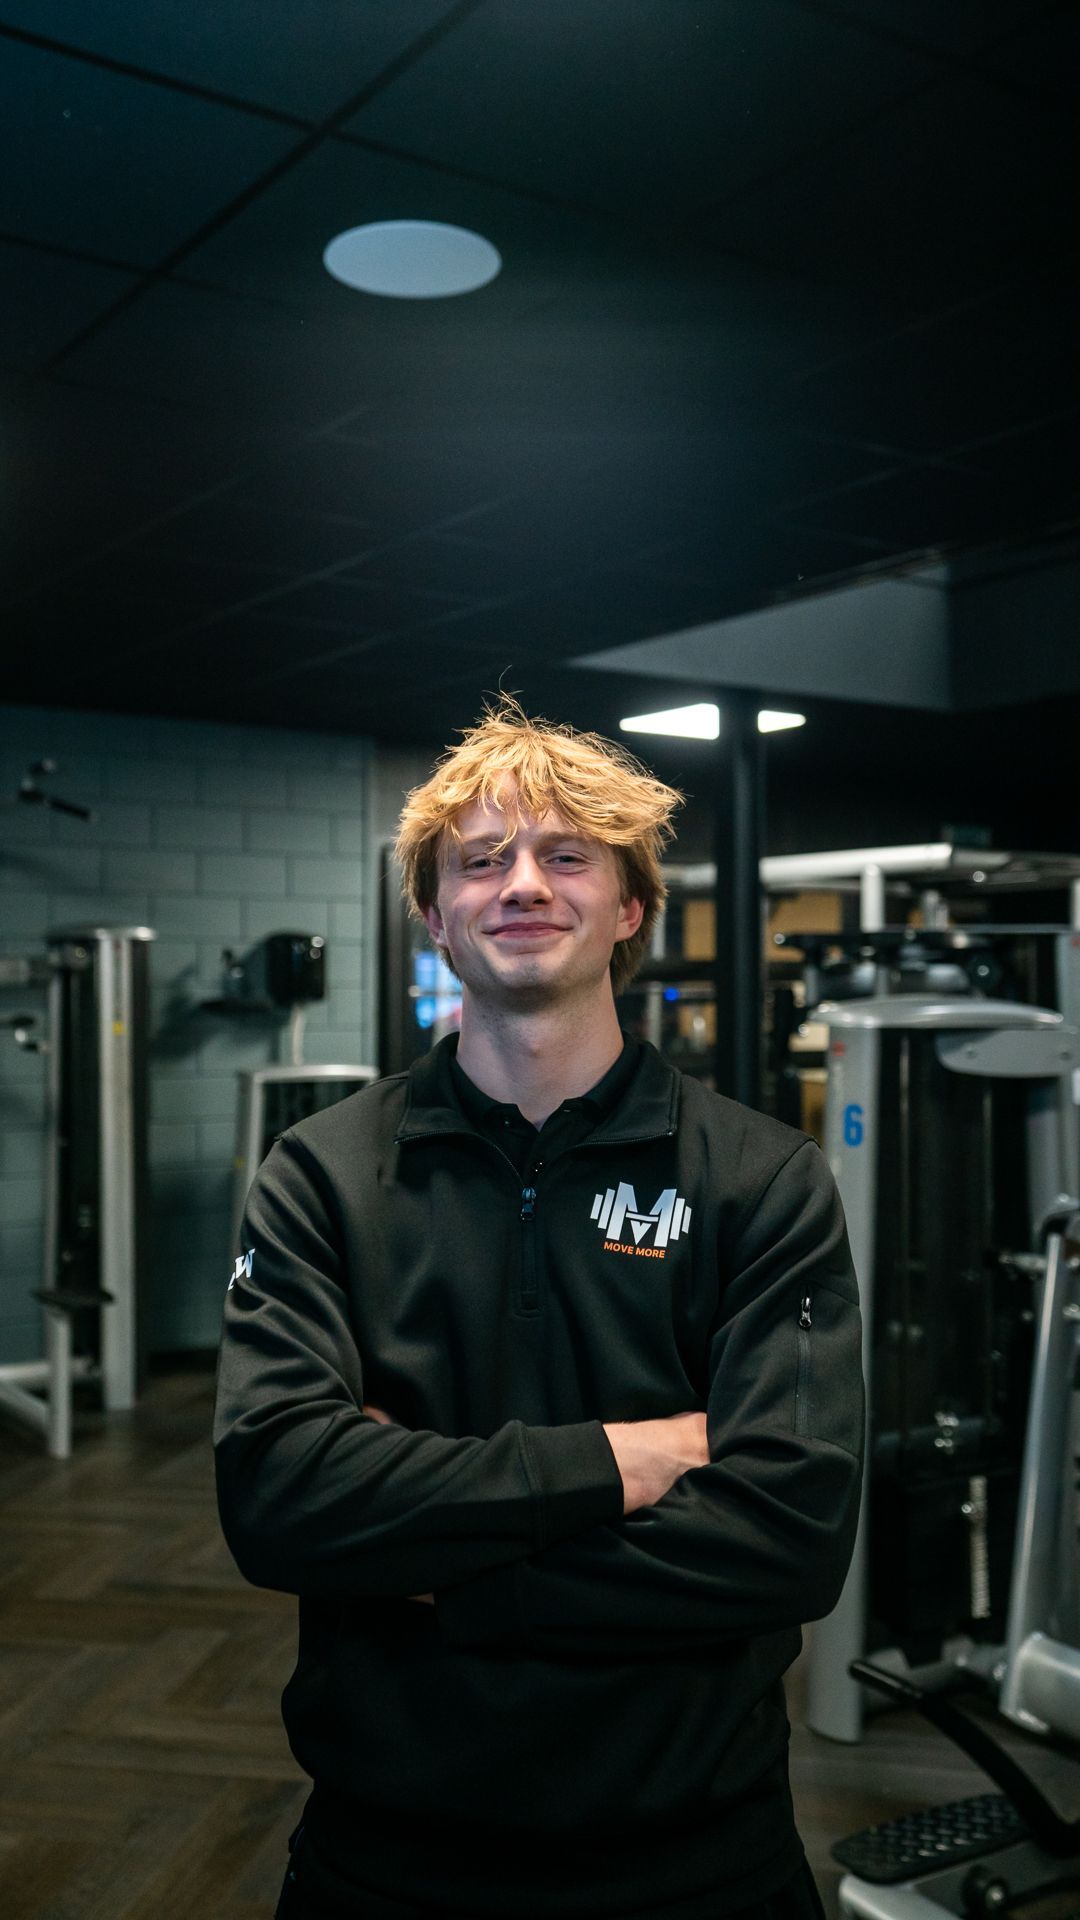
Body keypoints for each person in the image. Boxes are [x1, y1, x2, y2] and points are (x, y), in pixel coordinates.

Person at [214, 700, 864, 1920]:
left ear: (627, 909)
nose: (523, 883)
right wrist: (626, 1459)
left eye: (566, 854)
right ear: (435, 916)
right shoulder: (321, 1174)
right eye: (480, 860)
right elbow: (280, 1497)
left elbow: (790, 1532)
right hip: (387, 1860)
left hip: (700, 1860)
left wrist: (430, 1564)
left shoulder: (761, 1179)